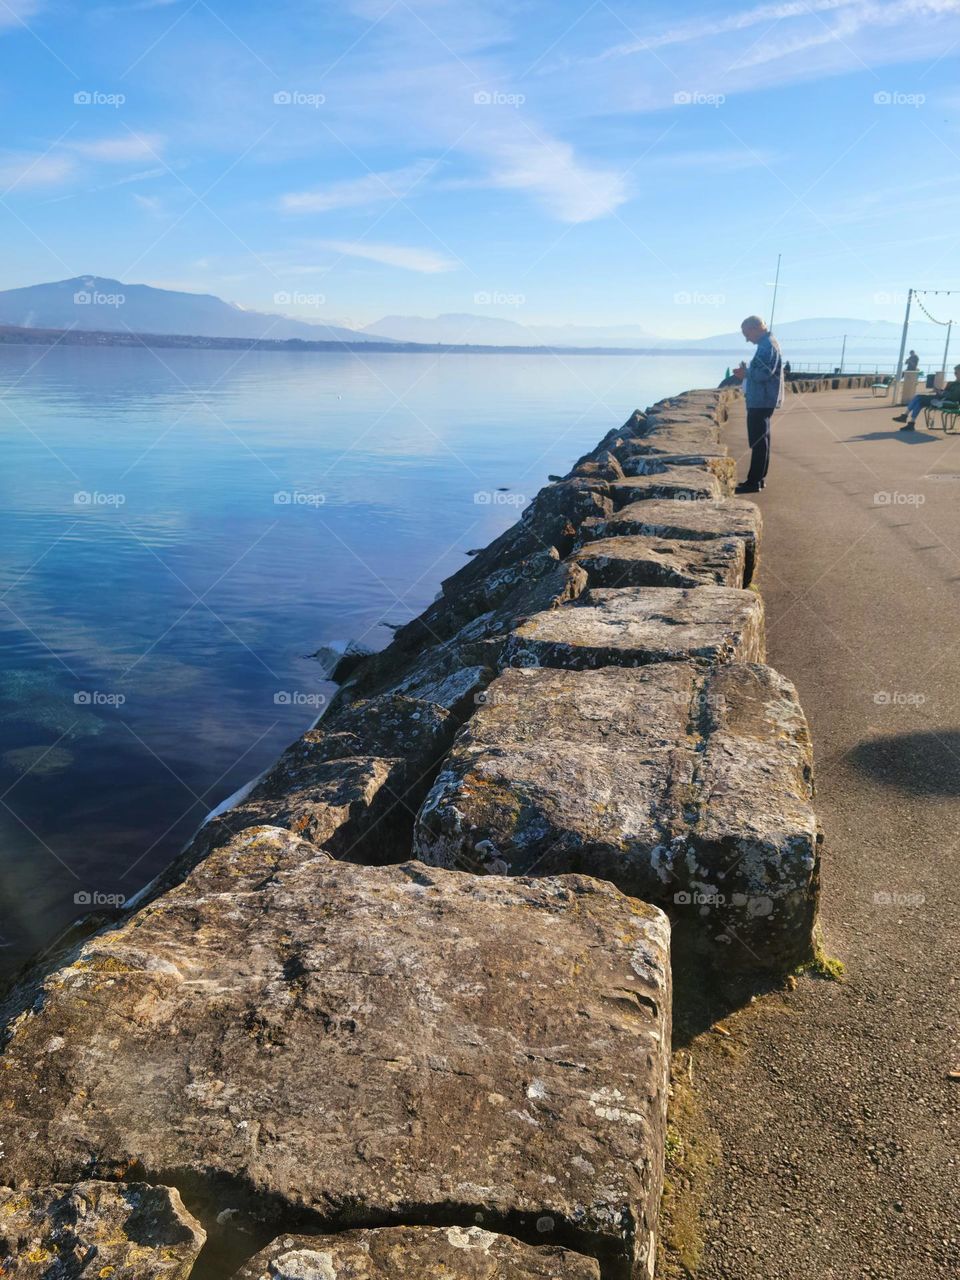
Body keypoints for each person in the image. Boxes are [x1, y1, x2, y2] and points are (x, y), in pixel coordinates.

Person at [732, 315, 783, 493]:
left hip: (761, 400)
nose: (747, 339)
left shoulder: (767, 346)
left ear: (755, 328)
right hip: (763, 400)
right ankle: (758, 479)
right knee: (762, 440)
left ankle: (754, 482)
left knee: (758, 442)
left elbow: (764, 373)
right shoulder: (768, 344)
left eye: (747, 334)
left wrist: (745, 373)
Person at [893, 364, 960, 429]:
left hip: (948, 403)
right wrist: (939, 391)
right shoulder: (952, 383)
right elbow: (946, 392)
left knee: (918, 398)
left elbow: (954, 397)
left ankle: (905, 416)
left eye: (956, 372)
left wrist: (942, 393)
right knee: (919, 401)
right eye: (954, 372)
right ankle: (911, 422)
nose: (955, 374)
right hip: (940, 399)